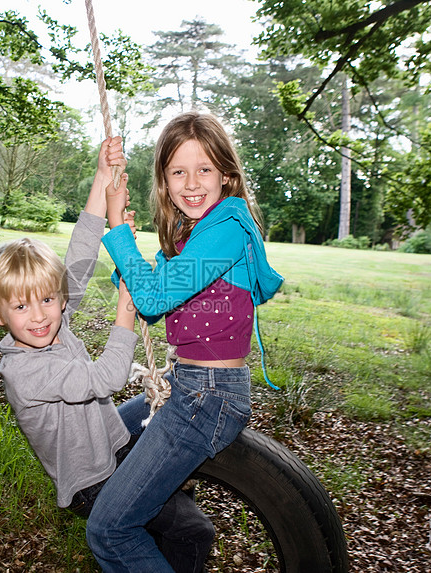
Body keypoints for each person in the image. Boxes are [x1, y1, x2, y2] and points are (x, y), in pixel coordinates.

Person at [0, 136, 215, 572]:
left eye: (48, 299)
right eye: (21, 306)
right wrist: (127, 307)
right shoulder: (24, 372)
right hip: (92, 481)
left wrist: (104, 177)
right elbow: (105, 380)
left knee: (169, 412)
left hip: (108, 439)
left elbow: (81, 257)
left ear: (59, 299)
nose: (40, 317)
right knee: (191, 532)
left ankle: (160, 496)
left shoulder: (51, 325)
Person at [86, 112, 285, 571]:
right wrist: (125, 245)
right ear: (164, 179)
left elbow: (153, 299)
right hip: (186, 384)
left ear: (227, 175)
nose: (191, 183)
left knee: (108, 531)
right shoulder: (190, 234)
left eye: (204, 170)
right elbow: (149, 292)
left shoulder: (228, 230)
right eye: (178, 171)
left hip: (208, 398)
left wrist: (116, 226)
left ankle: (146, 520)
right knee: (104, 437)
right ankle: (181, 527)